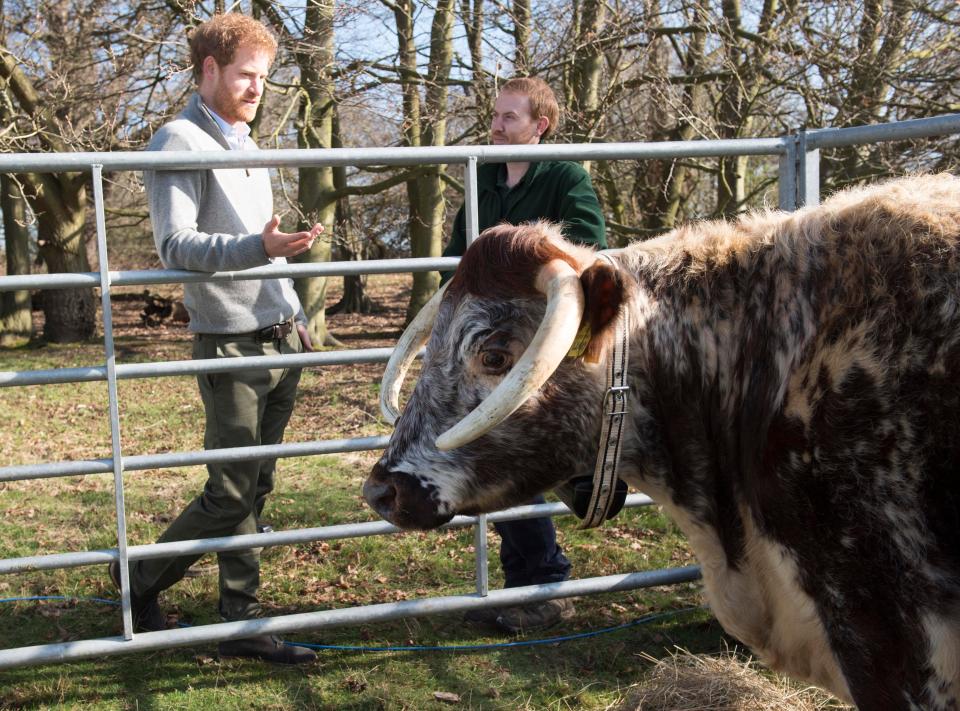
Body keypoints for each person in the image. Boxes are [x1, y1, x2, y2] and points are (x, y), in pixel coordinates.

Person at [108, 13, 321, 665]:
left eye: (264, 76)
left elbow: (269, 243)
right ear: (209, 70)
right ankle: (138, 578)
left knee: (257, 486)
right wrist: (259, 247)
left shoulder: (249, 143)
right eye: (246, 75)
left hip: (280, 336)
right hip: (230, 342)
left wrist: (294, 308)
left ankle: (242, 616)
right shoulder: (176, 140)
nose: (259, 88)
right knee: (230, 489)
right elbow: (178, 244)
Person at [441, 77, 607, 633]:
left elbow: (586, 241)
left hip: (543, 344)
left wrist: (515, 254)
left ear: (540, 126)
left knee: (523, 450)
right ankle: (534, 581)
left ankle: (543, 577)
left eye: (510, 118)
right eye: (495, 115)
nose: (496, 126)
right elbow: (455, 258)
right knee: (499, 449)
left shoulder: (564, 174)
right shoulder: (482, 175)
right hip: (488, 348)